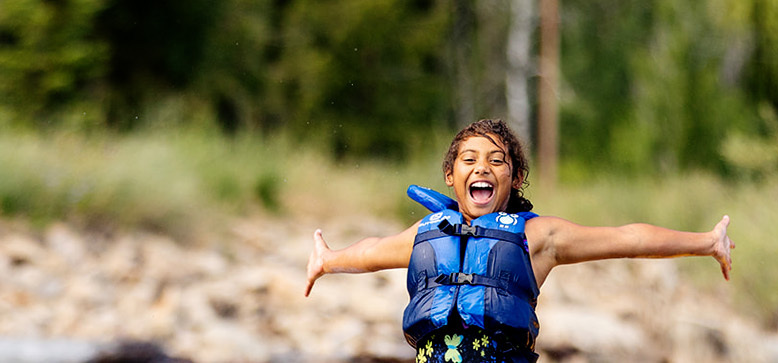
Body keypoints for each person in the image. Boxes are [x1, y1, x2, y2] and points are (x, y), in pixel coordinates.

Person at [303, 119, 735, 362]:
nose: (482, 168)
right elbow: (371, 252)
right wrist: (328, 259)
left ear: (516, 177)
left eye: (497, 160)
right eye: (468, 160)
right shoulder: (427, 235)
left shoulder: (538, 237)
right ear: (450, 177)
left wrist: (705, 241)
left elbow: (627, 238)